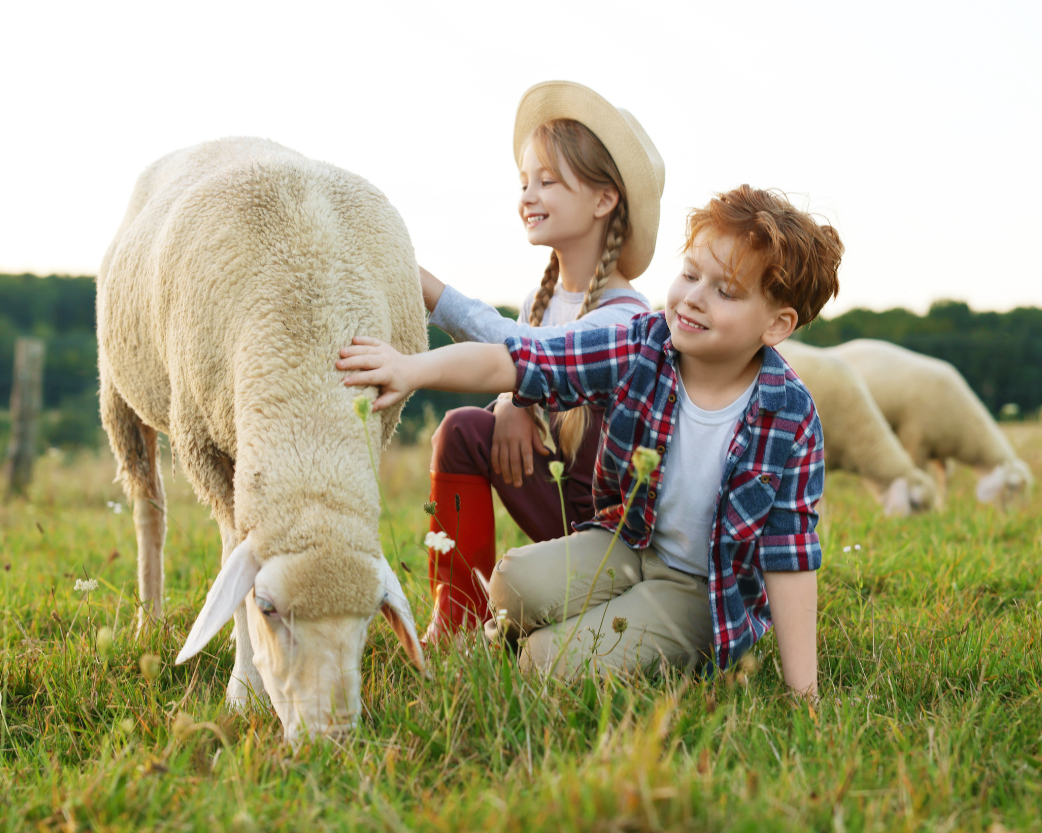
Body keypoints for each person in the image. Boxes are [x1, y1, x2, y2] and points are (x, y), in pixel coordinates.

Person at [339, 185, 843, 696]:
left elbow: (790, 556)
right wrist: (411, 368)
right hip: (629, 542)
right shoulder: (642, 344)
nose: (693, 297)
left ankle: (535, 649)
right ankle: (511, 636)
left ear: (777, 324)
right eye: (691, 274)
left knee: (547, 661)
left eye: (726, 292)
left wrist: (804, 693)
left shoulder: (791, 415)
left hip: (702, 590)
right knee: (512, 582)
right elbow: (518, 360)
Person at [418, 80, 664, 643]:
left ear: (603, 200)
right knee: (462, 429)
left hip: (616, 535)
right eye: (524, 181)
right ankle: (455, 617)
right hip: (558, 504)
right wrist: (511, 401)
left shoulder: (626, 318)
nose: (528, 195)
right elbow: (525, 356)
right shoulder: (541, 300)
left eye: (548, 181)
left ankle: (576, 598)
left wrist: (428, 288)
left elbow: (532, 354)